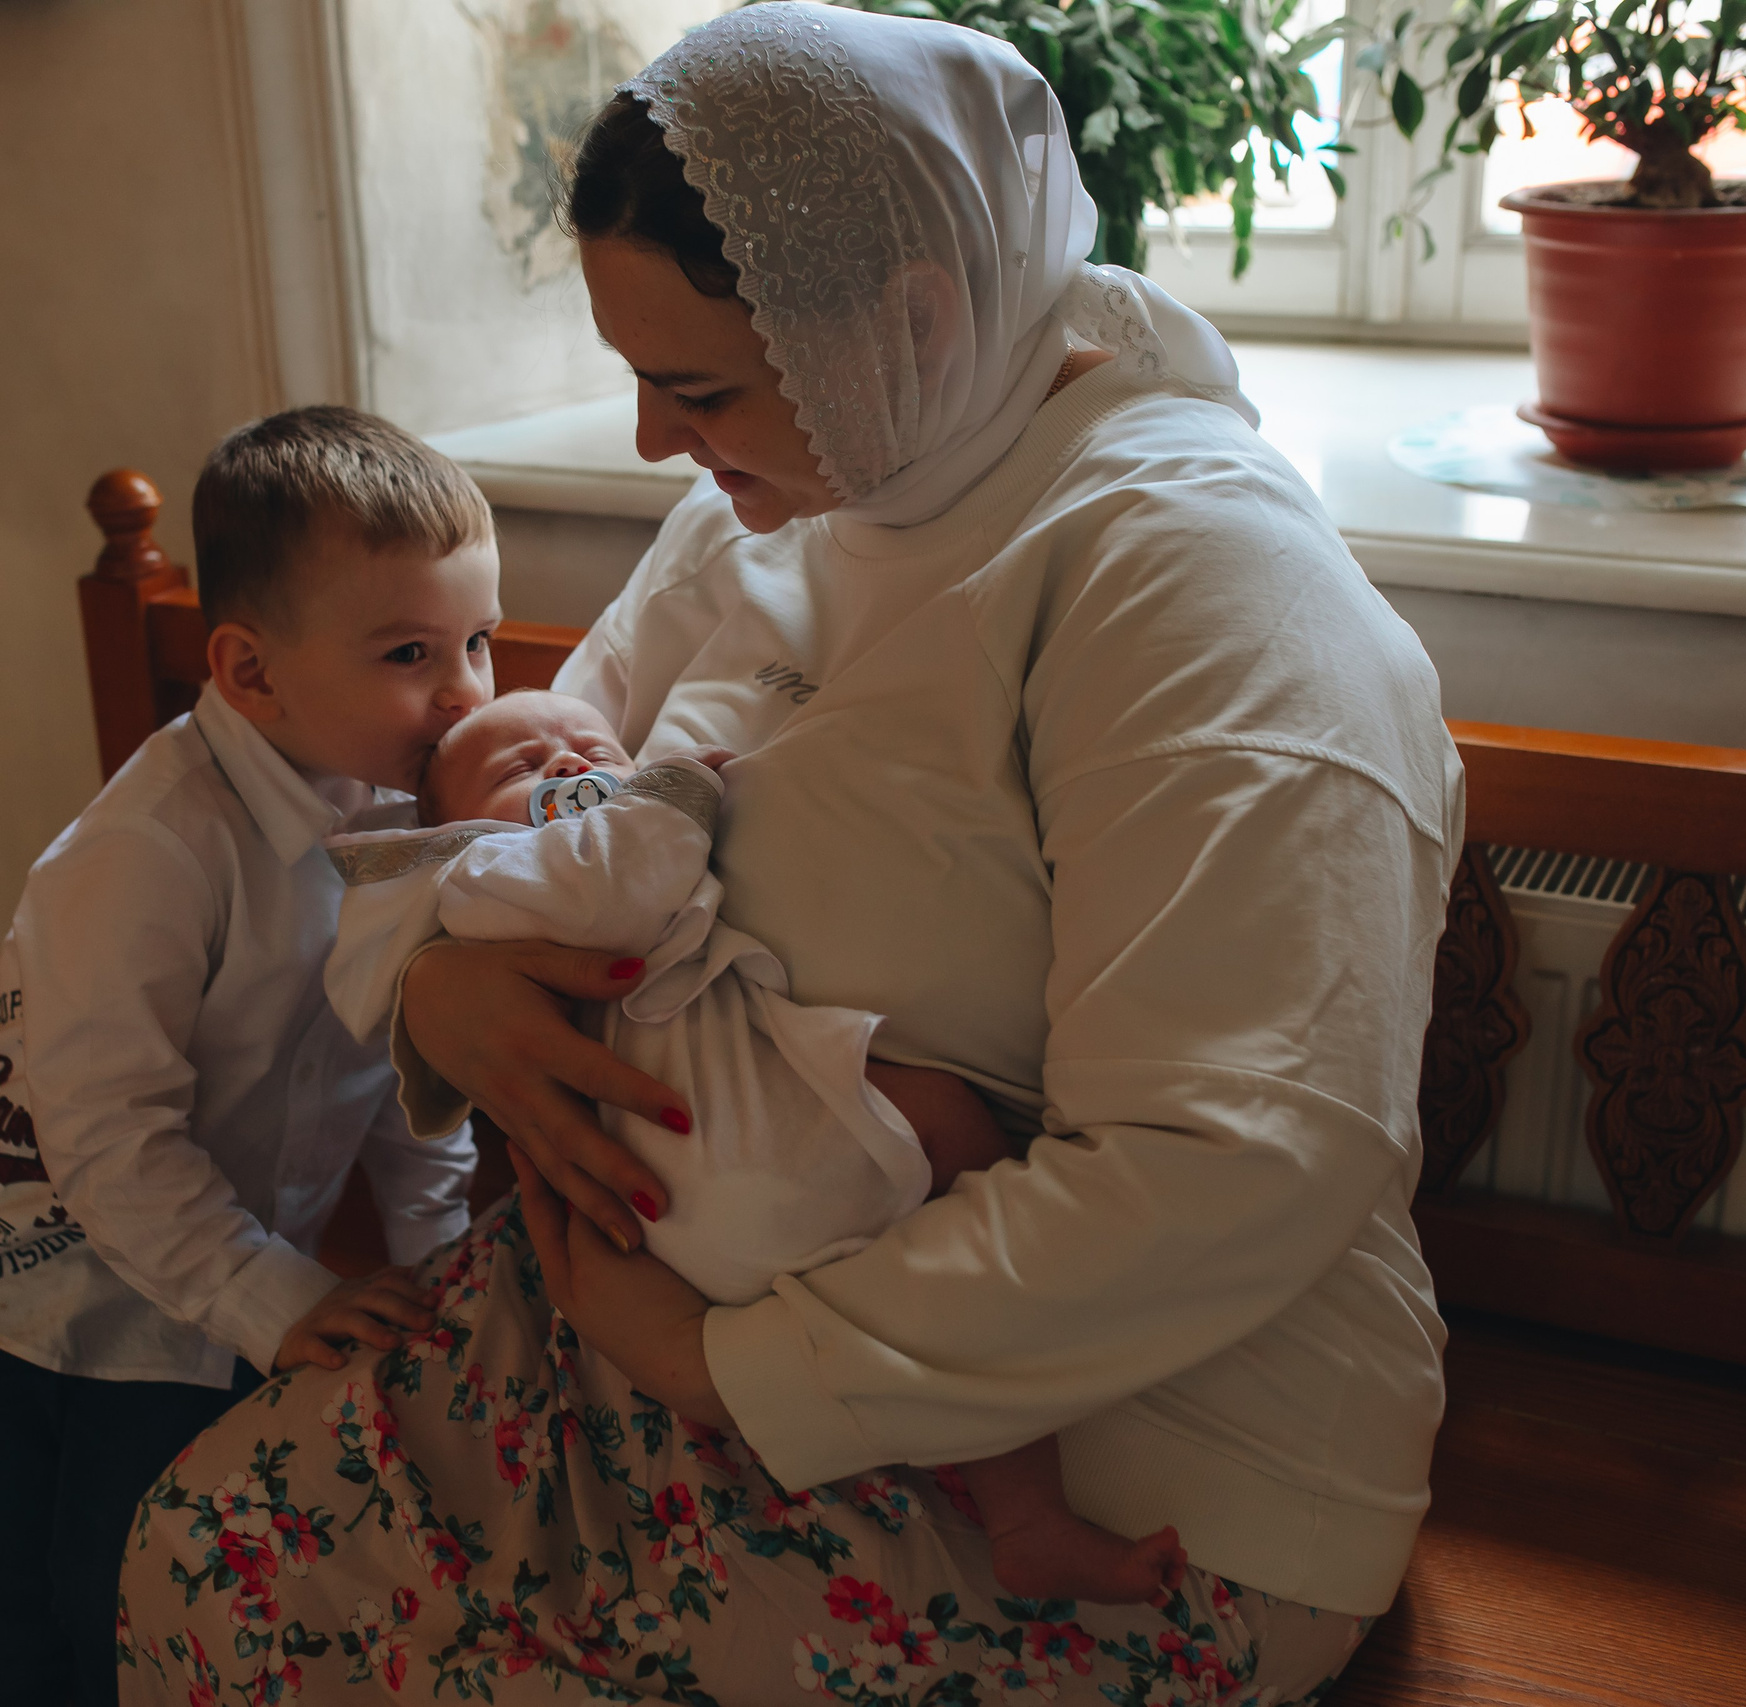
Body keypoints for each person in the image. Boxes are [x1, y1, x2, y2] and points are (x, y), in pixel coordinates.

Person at [121, 9, 1461, 1702]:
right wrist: (441, 987)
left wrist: (715, 1360)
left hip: (1127, 1455)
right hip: (646, 1316)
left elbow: (1236, 1161)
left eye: (692, 387)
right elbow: (488, 810)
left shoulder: (1201, 589)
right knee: (204, 1548)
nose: (650, 445)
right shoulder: (786, 492)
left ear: (912, 319)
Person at [328, 685, 1189, 1603]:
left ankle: (1025, 1522)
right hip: (727, 1156)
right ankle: (1014, 1510)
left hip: (685, 1204)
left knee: (958, 1278)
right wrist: (673, 788)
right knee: (955, 1139)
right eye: (522, 769)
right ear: (457, 831)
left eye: (590, 746)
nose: (570, 767)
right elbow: (623, 884)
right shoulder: (491, 877)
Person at [0, 405, 503, 1706]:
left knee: (154, 1585)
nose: (467, 692)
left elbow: (414, 1052)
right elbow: (107, 1134)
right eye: (412, 652)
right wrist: (275, 1294)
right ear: (251, 672)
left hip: (210, 1270)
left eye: (480, 642)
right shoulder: (151, 851)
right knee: (24, 1629)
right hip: (25, 1297)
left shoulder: (405, 808)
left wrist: (434, 1256)